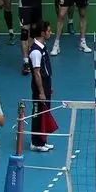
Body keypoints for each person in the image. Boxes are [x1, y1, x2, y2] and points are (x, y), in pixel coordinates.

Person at [28, 20, 57, 152]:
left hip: (45, 85)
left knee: (44, 112)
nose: (50, 32)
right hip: (39, 88)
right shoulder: (36, 51)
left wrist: (48, 88)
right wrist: (41, 91)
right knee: (38, 114)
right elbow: (36, 73)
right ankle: (36, 143)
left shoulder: (42, 47)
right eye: (48, 30)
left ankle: (42, 140)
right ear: (42, 33)